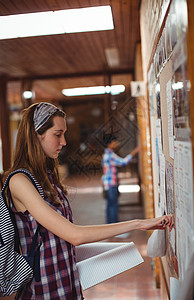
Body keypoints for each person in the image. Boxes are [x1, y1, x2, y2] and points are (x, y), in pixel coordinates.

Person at [5, 102, 174, 299]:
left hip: (69, 287)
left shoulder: (48, 176)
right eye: (58, 134)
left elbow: (59, 241)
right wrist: (138, 223)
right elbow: (74, 235)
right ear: (36, 135)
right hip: (43, 291)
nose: (65, 142)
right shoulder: (19, 181)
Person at [101, 133, 139, 224]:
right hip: (111, 184)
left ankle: (109, 227)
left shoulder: (106, 154)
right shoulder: (110, 155)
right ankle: (115, 228)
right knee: (114, 206)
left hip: (108, 184)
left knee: (110, 205)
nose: (117, 143)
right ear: (109, 143)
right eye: (115, 142)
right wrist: (135, 151)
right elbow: (123, 162)